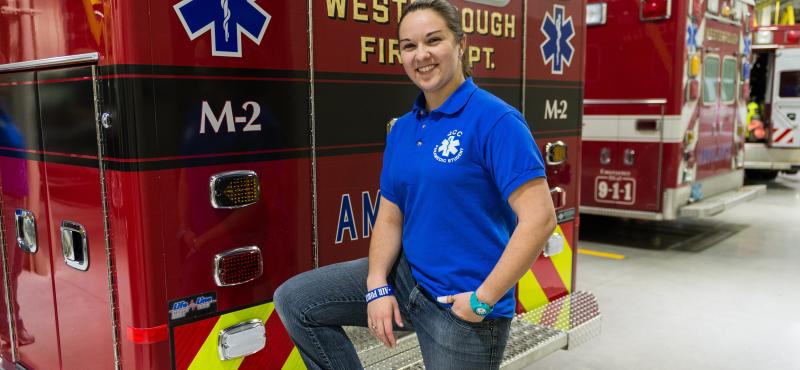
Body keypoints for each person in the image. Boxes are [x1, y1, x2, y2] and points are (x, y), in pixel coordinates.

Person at [273, 1, 556, 369]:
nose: (421, 55)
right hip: (410, 281)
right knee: (297, 301)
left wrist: (481, 301)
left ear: (460, 44)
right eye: (409, 45)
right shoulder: (405, 128)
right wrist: (376, 284)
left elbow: (540, 219)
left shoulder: (496, 120)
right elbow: (390, 216)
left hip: (461, 304)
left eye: (433, 40)